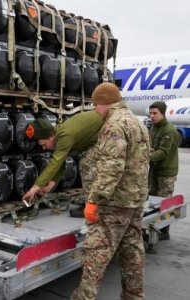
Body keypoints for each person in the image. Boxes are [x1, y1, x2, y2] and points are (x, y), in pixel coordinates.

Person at [71, 82, 150, 300]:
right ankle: (134, 295)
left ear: (103, 103)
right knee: (132, 250)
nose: (96, 111)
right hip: (134, 199)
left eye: (96, 106)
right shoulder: (138, 122)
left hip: (114, 202)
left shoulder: (114, 125)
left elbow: (111, 167)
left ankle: (84, 297)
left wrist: (94, 200)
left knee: (96, 252)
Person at [22, 110, 104, 216]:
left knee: (87, 165)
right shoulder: (58, 134)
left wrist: (34, 188)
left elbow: (55, 162)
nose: (44, 148)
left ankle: (94, 209)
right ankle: (94, 205)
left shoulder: (64, 136)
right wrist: (50, 186)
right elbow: (60, 162)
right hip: (99, 138)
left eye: (44, 144)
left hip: (108, 133)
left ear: (50, 137)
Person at [147, 101, 179, 244]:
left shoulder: (168, 130)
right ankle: (154, 229)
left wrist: (145, 157)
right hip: (155, 170)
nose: (152, 116)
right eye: (151, 113)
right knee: (153, 201)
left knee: (164, 202)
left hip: (166, 172)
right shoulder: (154, 127)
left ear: (162, 113)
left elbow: (163, 152)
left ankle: (164, 232)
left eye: (155, 113)